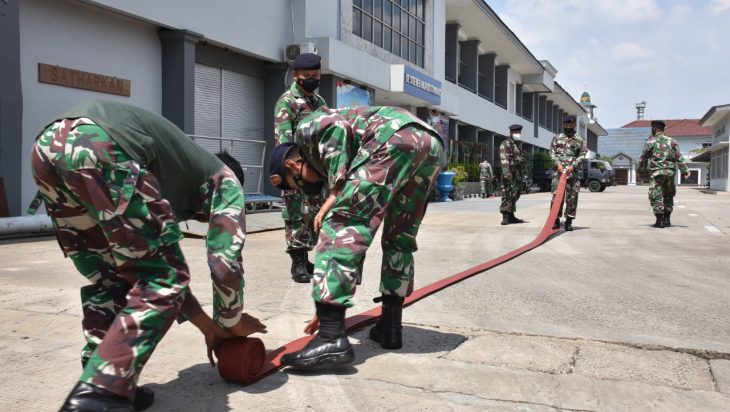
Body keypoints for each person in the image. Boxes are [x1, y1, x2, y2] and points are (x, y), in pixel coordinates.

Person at [28, 100, 267, 411]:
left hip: (45, 149)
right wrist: (231, 321)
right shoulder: (226, 180)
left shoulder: (173, 170)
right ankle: (100, 396)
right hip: (101, 143)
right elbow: (224, 263)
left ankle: (109, 381)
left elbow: (145, 269)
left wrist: (209, 328)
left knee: (112, 277)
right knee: (162, 276)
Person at [268, 106, 445, 369]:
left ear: (292, 165)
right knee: (399, 237)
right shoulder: (349, 150)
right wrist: (331, 300)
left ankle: (331, 338)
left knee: (339, 225)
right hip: (431, 146)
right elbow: (354, 246)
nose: (306, 190)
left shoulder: (305, 131)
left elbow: (335, 126)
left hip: (393, 136)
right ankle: (390, 326)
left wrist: (335, 192)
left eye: (298, 183)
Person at [273, 53, 329, 283]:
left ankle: (306, 259)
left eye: (315, 74)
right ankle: (297, 262)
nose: (311, 79)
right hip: (295, 169)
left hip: (317, 170)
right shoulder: (287, 102)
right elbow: (284, 142)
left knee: (314, 213)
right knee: (296, 214)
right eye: (307, 75)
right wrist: (297, 168)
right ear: (296, 75)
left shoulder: (320, 102)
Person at [638, 120, 690, 228]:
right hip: (670, 174)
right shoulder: (672, 141)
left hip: (657, 174)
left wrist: (641, 172)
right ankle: (667, 220)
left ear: (654, 129)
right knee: (668, 195)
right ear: (663, 129)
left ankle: (660, 221)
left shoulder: (650, 142)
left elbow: (644, 159)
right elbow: (679, 157)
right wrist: (685, 171)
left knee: (655, 195)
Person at [550, 115, 587, 231]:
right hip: (558, 173)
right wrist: (558, 163)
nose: (568, 127)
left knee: (572, 198)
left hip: (573, 174)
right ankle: (555, 220)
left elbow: (582, 154)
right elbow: (552, 153)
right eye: (566, 125)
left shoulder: (580, 139)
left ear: (574, 125)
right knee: (557, 197)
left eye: (570, 125)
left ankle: (569, 221)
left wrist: (573, 165)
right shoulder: (557, 138)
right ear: (563, 125)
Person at [499, 124, 525, 225]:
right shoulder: (506, 143)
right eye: (515, 132)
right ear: (511, 132)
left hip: (517, 173)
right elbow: (504, 158)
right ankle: (505, 217)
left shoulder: (516, 143)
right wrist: (506, 172)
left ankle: (511, 216)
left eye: (519, 132)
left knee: (515, 194)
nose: (517, 134)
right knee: (507, 194)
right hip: (510, 173)